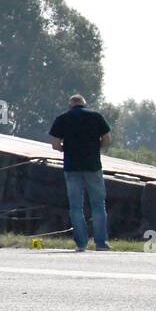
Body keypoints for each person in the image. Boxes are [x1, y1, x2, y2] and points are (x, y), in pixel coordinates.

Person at [49, 94, 113, 251]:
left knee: (76, 207)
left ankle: (81, 244)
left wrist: (67, 149)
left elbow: (55, 144)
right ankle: (101, 243)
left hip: (72, 168)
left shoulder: (62, 118)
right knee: (98, 205)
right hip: (93, 166)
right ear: (84, 104)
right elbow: (107, 139)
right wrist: (96, 147)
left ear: (70, 105)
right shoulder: (96, 116)